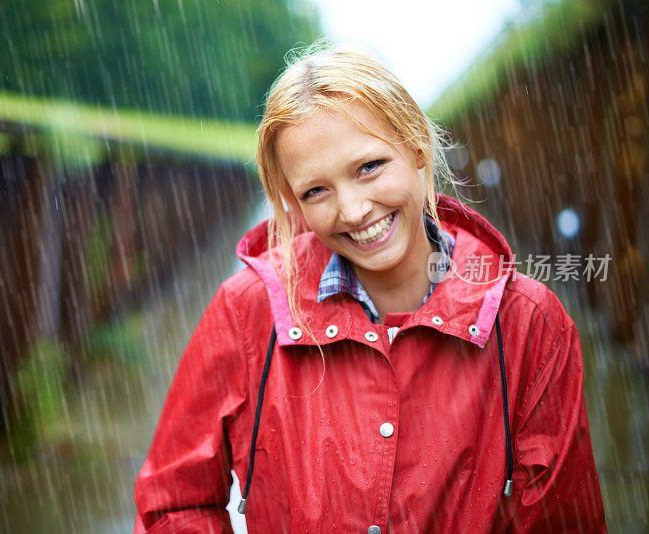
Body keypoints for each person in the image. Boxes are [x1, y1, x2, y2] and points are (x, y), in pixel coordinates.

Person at [133, 44, 607, 533]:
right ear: (291, 203)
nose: (354, 210)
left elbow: (563, 521)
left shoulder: (528, 322)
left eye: (369, 167)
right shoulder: (246, 311)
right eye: (316, 191)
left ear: (416, 143)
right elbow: (173, 503)